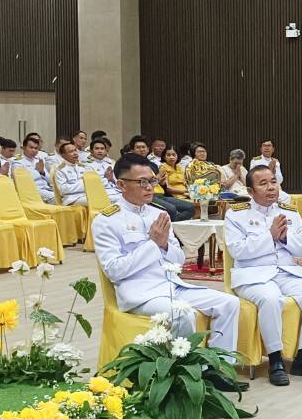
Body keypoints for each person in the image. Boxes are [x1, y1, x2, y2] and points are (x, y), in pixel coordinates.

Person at [90, 153, 244, 388]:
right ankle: (188, 376)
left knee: (229, 303)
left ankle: (218, 370)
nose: (149, 187)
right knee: (183, 314)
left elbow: (178, 259)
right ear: (121, 184)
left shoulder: (158, 214)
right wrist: (153, 245)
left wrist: (162, 244)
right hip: (140, 294)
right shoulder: (106, 220)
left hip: (171, 285)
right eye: (142, 182)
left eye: (151, 181)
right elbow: (115, 271)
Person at [224, 165, 302, 386]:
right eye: (263, 184)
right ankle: (275, 361)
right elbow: (238, 251)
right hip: (253, 275)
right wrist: (269, 236)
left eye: (273, 181)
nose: (271, 187)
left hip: (286, 272)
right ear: (250, 191)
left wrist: (283, 239)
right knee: (271, 299)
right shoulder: (236, 214)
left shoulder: (289, 211)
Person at [16, 133, 55, 201]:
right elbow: (21, 181)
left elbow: (51, 181)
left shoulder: (39, 161)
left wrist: (42, 172)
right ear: (24, 148)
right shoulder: (18, 162)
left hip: (48, 189)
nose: (34, 150)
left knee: (70, 196)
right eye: (31, 147)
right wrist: (37, 171)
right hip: (34, 191)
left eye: (36, 148)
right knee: (63, 199)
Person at [53, 140, 89, 206]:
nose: (75, 153)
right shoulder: (60, 169)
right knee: (96, 201)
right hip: (71, 199)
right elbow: (63, 190)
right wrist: (84, 185)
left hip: (86, 195)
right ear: (63, 155)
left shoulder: (83, 167)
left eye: (75, 150)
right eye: (71, 151)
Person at [87, 138, 122, 203]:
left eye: (102, 149)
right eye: (97, 149)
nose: (100, 151)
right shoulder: (87, 166)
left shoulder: (110, 164)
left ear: (106, 151)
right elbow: (92, 184)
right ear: (91, 151)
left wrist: (112, 179)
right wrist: (107, 179)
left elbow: (118, 181)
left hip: (115, 191)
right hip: (100, 193)